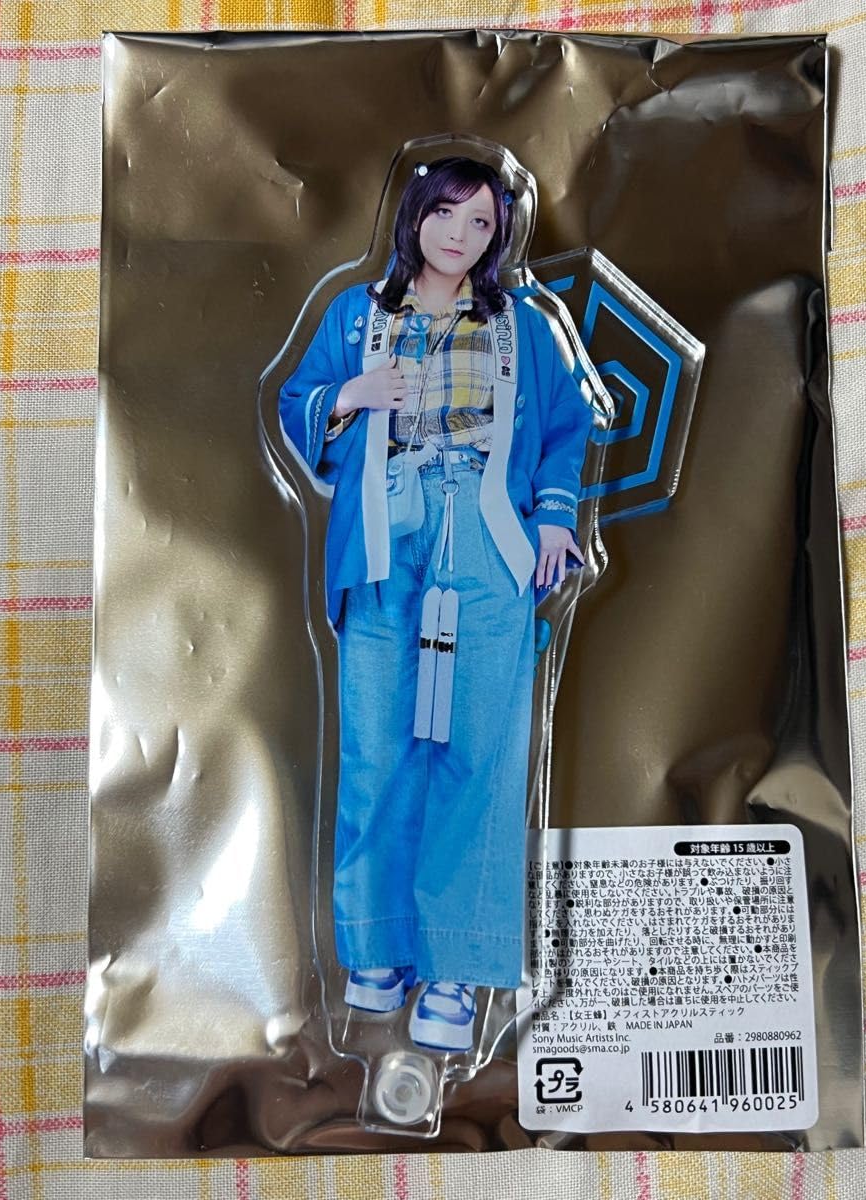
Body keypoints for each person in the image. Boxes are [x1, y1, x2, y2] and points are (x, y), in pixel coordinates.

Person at [279, 155, 593, 1053]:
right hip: (388, 531)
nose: (460, 236)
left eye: (481, 223)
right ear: (415, 215)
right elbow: (297, 406)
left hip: (488, 538)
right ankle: (378, 947)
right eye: (446, 214)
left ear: (498, 237)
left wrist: (554, 517)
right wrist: (353, 393)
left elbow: (566, 425)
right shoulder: (359, 315)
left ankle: (455, 965)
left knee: (479, 751)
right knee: (378, 743)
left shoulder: (521, 325)